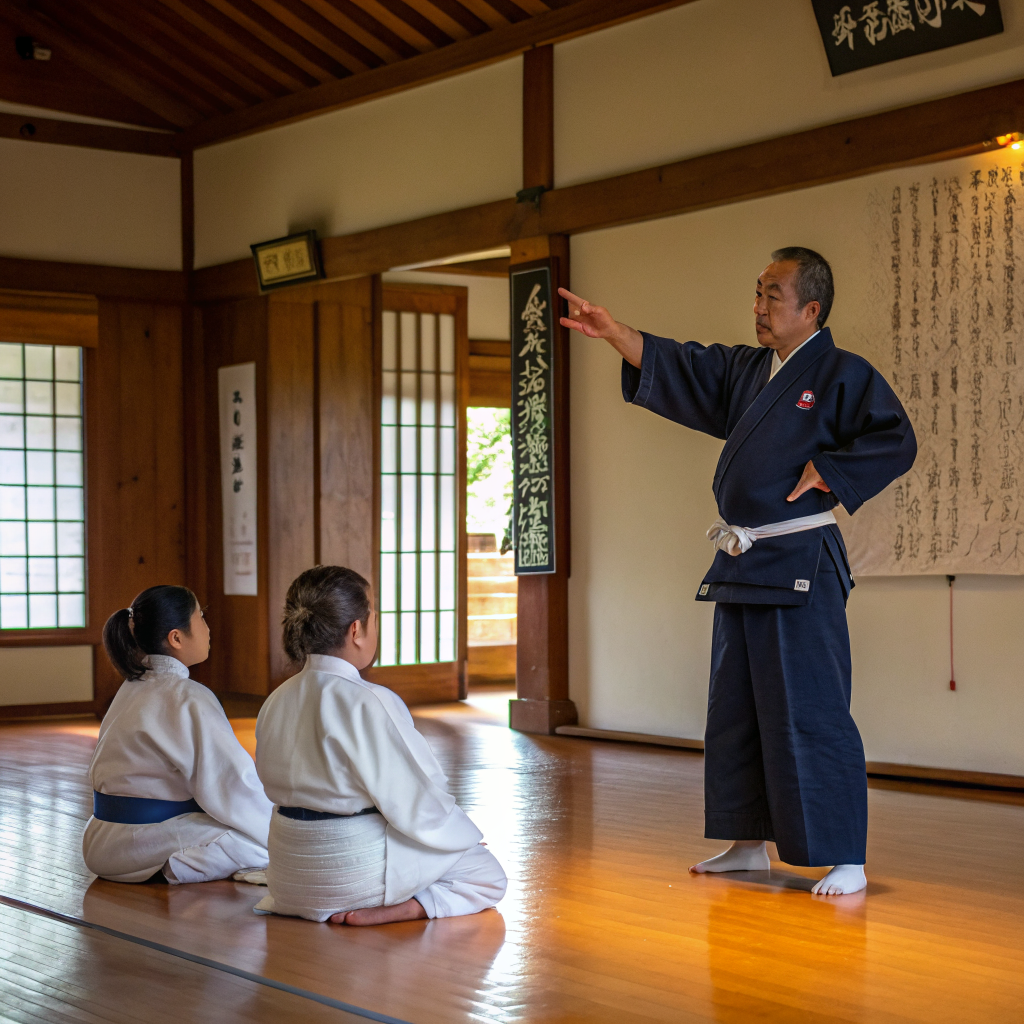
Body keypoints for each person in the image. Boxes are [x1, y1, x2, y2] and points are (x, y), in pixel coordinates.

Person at [558, 247, 917, 896]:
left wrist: (833, 472)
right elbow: (683, 365)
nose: (758, 305)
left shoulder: (840, 373)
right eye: (757, 293)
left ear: (811, 309)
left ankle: (845, 855)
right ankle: (747, 843)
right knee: (737, 707)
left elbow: (896, 437)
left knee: (812, 708)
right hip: (742, 556)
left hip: (801, 557)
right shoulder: (749, 371)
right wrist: (616, 334)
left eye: (772, 295)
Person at [253, 565, 507, 925]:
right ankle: (397, 909)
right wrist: (454, 839)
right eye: (372, 618)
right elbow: (417, 797)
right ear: (356, 630)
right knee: (487, 875)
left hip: (288, 874)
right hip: (348, 873)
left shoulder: (275, 699)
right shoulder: (369, 699)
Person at [83, 586, 272, 884]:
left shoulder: (131, 687)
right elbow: (233, 784)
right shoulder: (187, 696)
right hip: (140, 842)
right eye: (201, 618)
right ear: (176, 637)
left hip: (99, 842)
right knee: (266, 848)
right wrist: (282, 830)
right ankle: (175, 864)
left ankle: (174, 861)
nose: (208, 629)